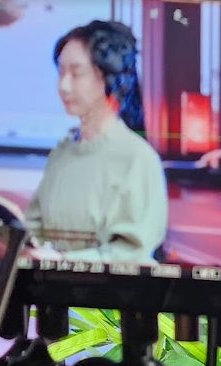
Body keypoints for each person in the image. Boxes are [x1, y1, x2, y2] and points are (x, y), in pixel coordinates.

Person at [24, 20, 167, 263]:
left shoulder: (137, 158)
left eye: (76, 73)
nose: (63, 85)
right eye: (61, 72)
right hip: (53, 295)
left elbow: (131, 254)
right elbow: (35, 230)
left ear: (107, 77)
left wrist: (61, 261)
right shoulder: (63, 152)